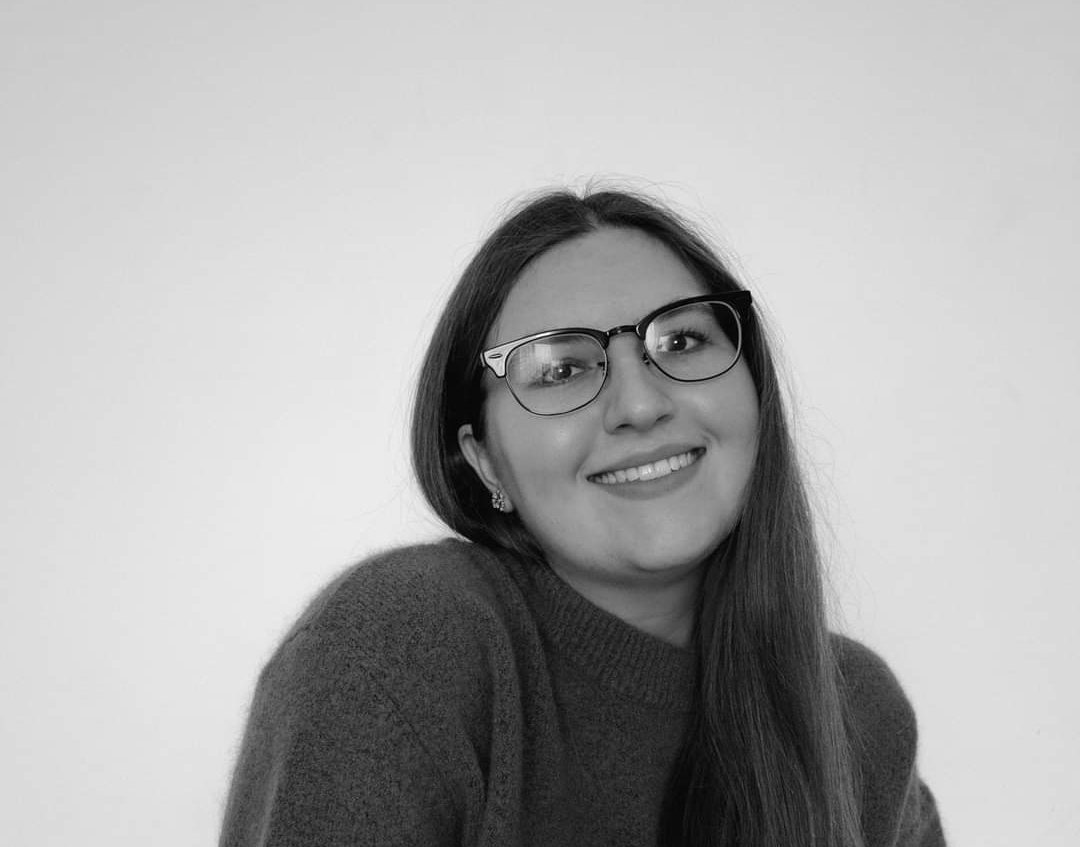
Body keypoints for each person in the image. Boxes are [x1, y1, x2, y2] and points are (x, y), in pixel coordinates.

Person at [219, 188, 946, 847]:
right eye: (561, 370)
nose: (640, 404)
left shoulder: (856, 714)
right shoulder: (399, 646)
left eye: (682, 341)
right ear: (484, 461)